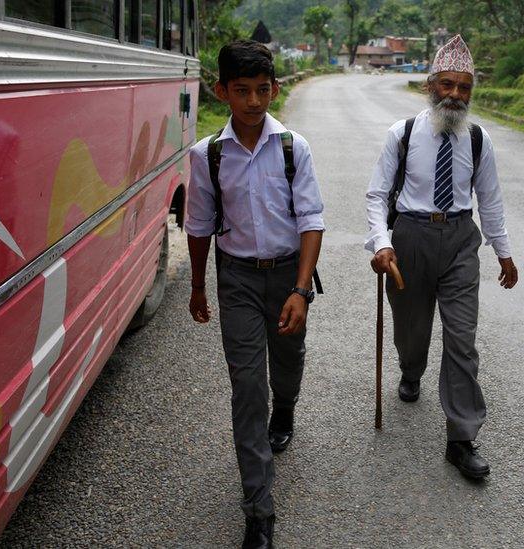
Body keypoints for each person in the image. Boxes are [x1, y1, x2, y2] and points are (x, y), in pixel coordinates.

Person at [185, 40, 325, 548]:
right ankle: (258, 511)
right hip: (238, 280)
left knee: (288, 359)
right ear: (221, 90)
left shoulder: (293, 147)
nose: (252, 102)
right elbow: (199, 226)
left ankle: (285, 407)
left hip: (289, 273)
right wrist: (199, 285)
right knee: (247, 387)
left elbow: (311, 222)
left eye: (261, 90)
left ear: (274, 89)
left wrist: (301, 290)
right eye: (241, 91)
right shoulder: (208, 155)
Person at [364, 35, 519, 480]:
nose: (455, 94)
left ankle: (461, 438)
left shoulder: (477, 140)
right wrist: (382, 242)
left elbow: (490, 200)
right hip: (410, 237)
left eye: (464, 87)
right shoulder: (404, 133)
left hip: (459, 241)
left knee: (462, 340)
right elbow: (377, 195)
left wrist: (503, 253)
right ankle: (410, 369)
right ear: (430, 85)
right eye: (447, 84)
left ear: (471, 92)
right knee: (412, 331)